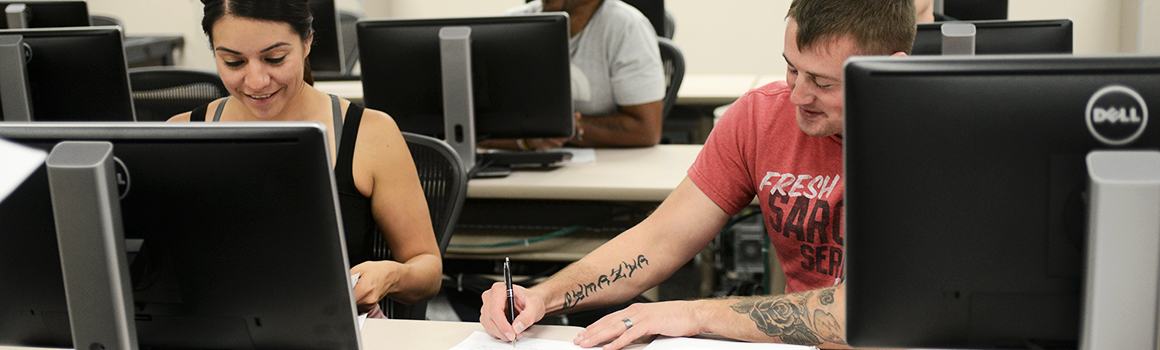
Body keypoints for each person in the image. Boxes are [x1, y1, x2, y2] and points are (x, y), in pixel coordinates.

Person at [478, 0, 914, 348]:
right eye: (791, 68)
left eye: (822, 82)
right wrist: (542, 297)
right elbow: (659, 240)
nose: (798, 95)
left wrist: (694, 313)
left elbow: (868, 312)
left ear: (889, 70)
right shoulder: (762, 117)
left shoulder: (939, 141)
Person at [170, 0, 442, 318]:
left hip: (325, 331)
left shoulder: (371, 133)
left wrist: (390, 276)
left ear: (307, 41)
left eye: (275, 59)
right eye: (233, 62)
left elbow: (428, 269)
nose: (256, 81)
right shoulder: (181, 133)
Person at [482, 0, 667, 151]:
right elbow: (471, 130)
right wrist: (527, 141)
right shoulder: (510, 25)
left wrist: (569, 127)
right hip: (521, 173)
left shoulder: (626, 26)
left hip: (606, 170)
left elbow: (646, 130)